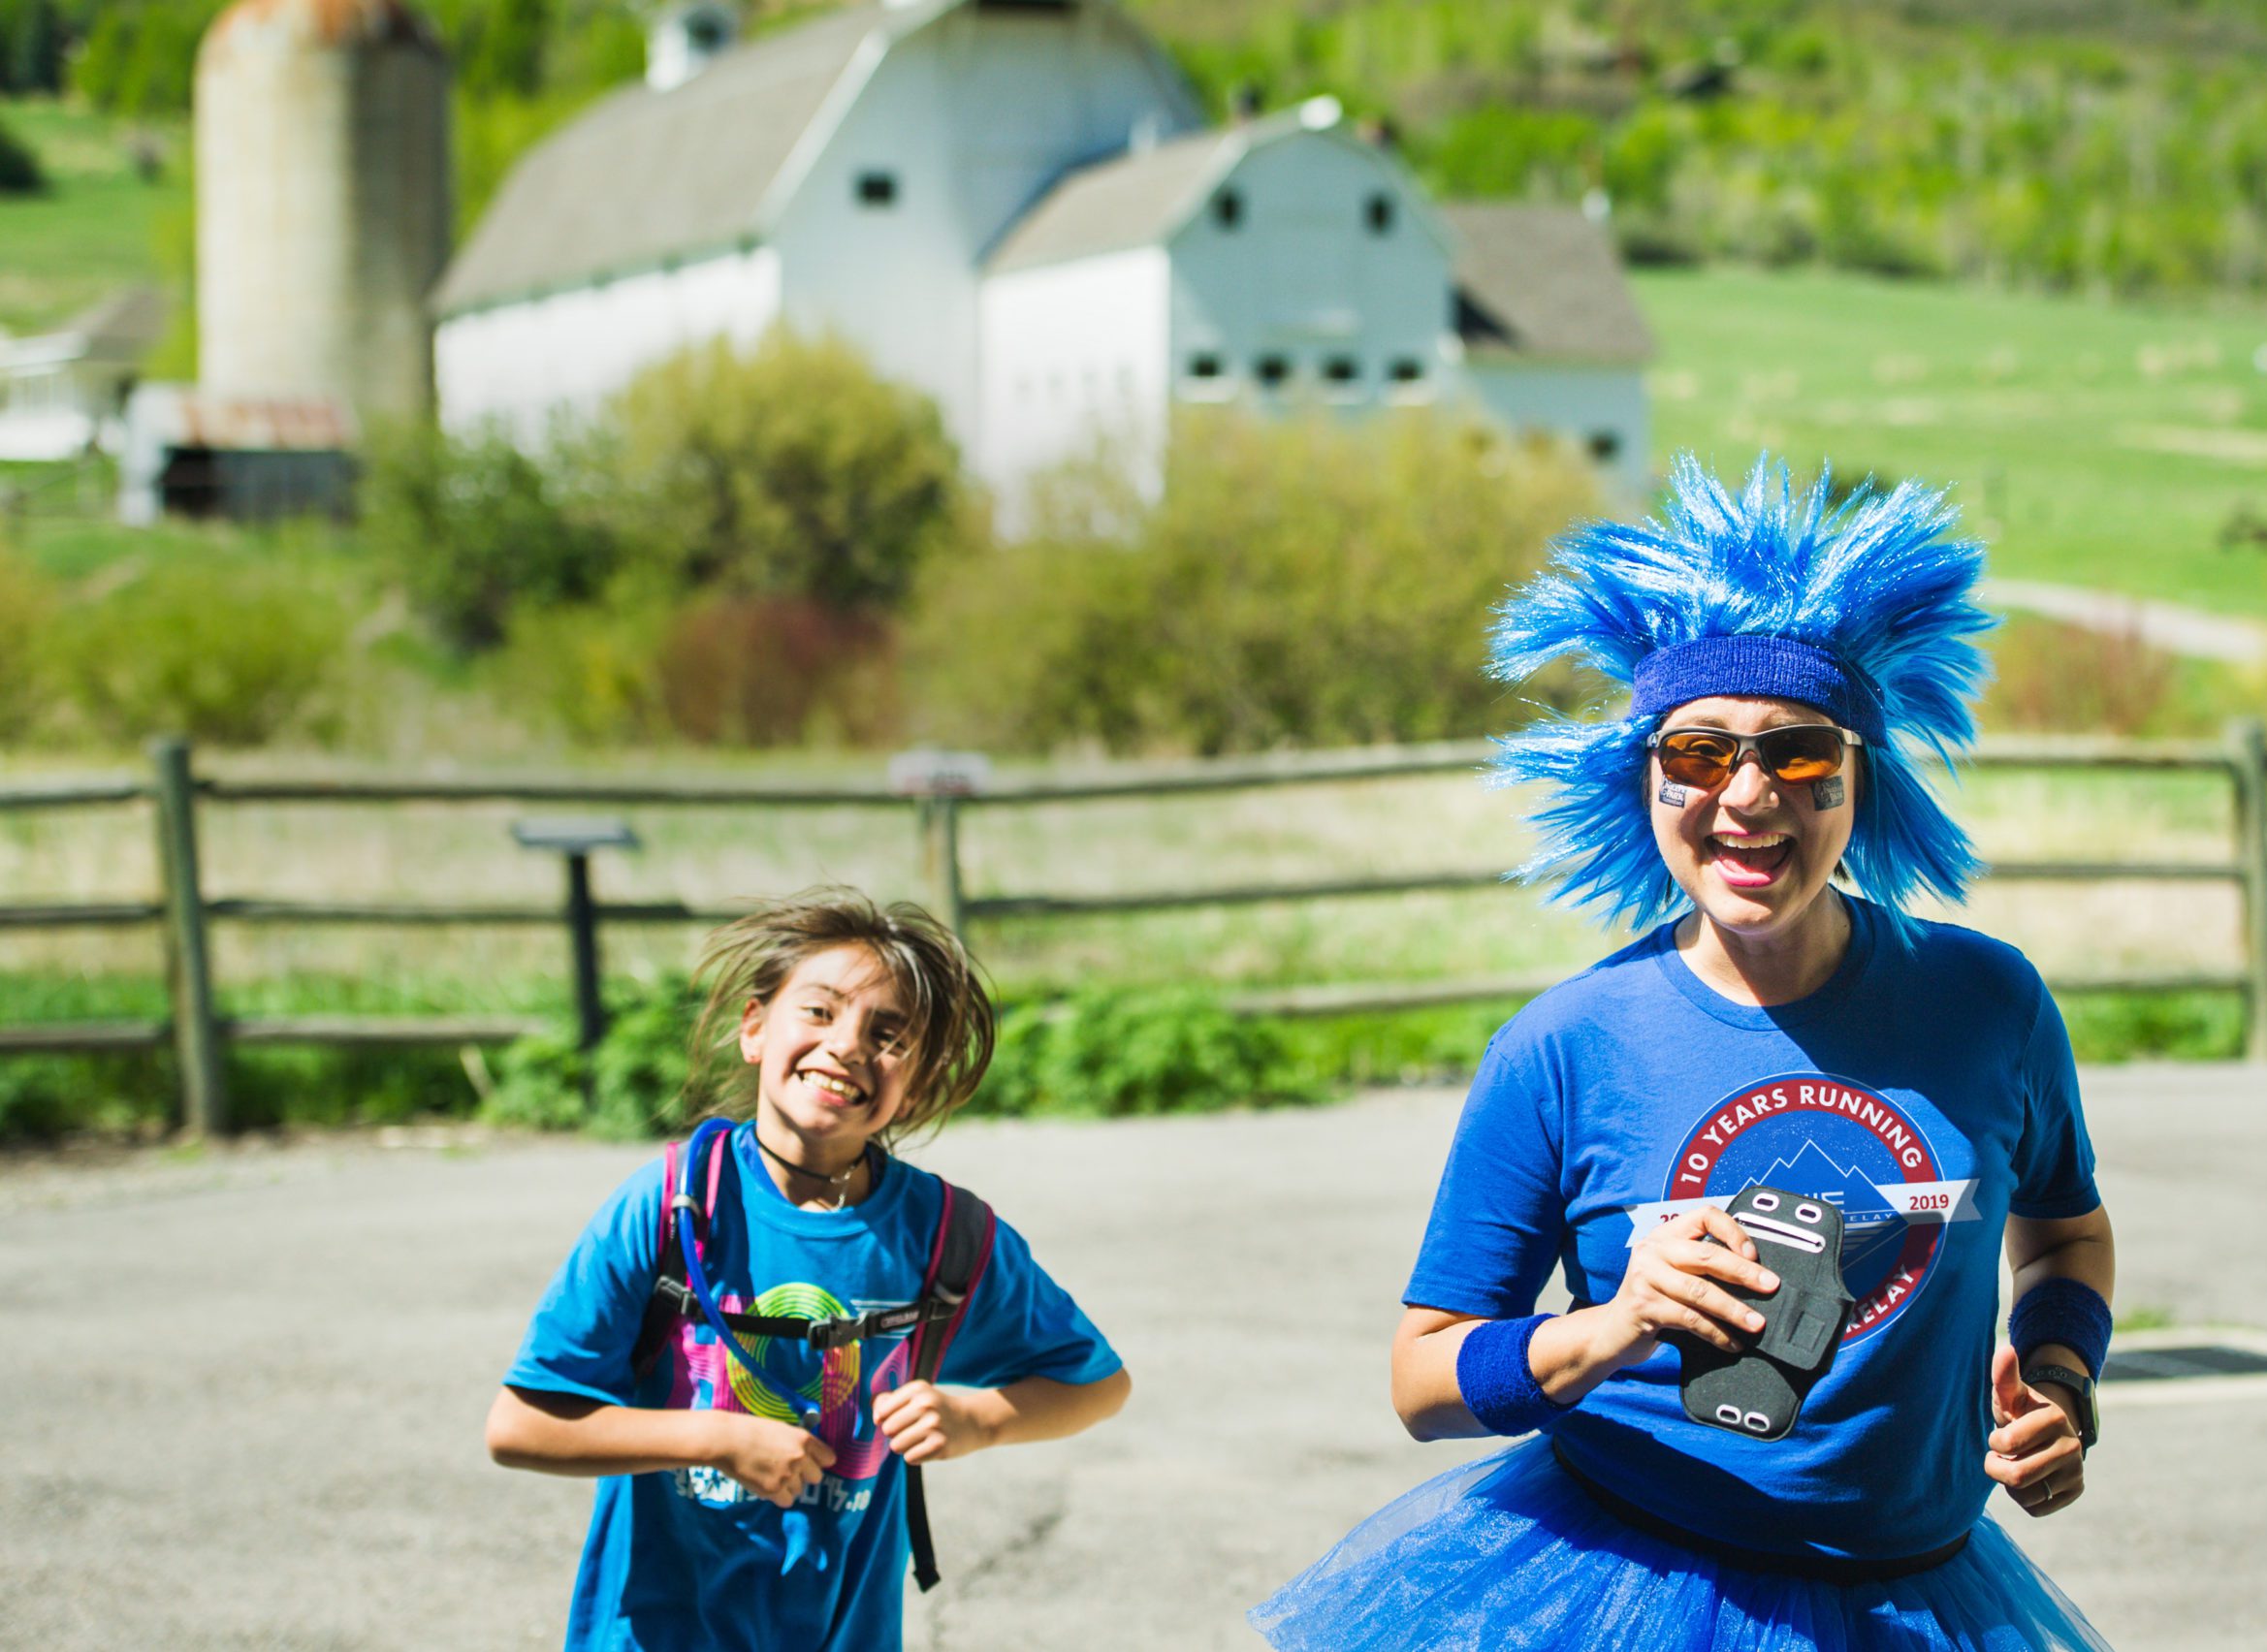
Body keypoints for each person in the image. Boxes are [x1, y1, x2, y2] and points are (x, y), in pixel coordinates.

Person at [1254, 458, 2117, 1652]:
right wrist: (1616, 1324)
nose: (1747, 797)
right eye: (1698, 754)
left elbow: (2067, 1233)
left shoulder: (1988, 1002)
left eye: (1799, 753)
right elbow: (1423, 1381)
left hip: (1923, 1594)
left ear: (1861, 776)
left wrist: (2064, 1385)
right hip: (1631, 1588)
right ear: (1645, 782)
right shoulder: (1562, 1047)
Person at [487, 887, 1131, 1652]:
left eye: (889, 1037)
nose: (850, 1046)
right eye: (820, 1012)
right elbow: (520, 1427)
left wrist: (978, 1420)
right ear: (755, 1030)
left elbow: (1097, 1385)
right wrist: (714, 1440)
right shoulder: (667, 1206)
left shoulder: (948, 1235)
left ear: (915, 1086)